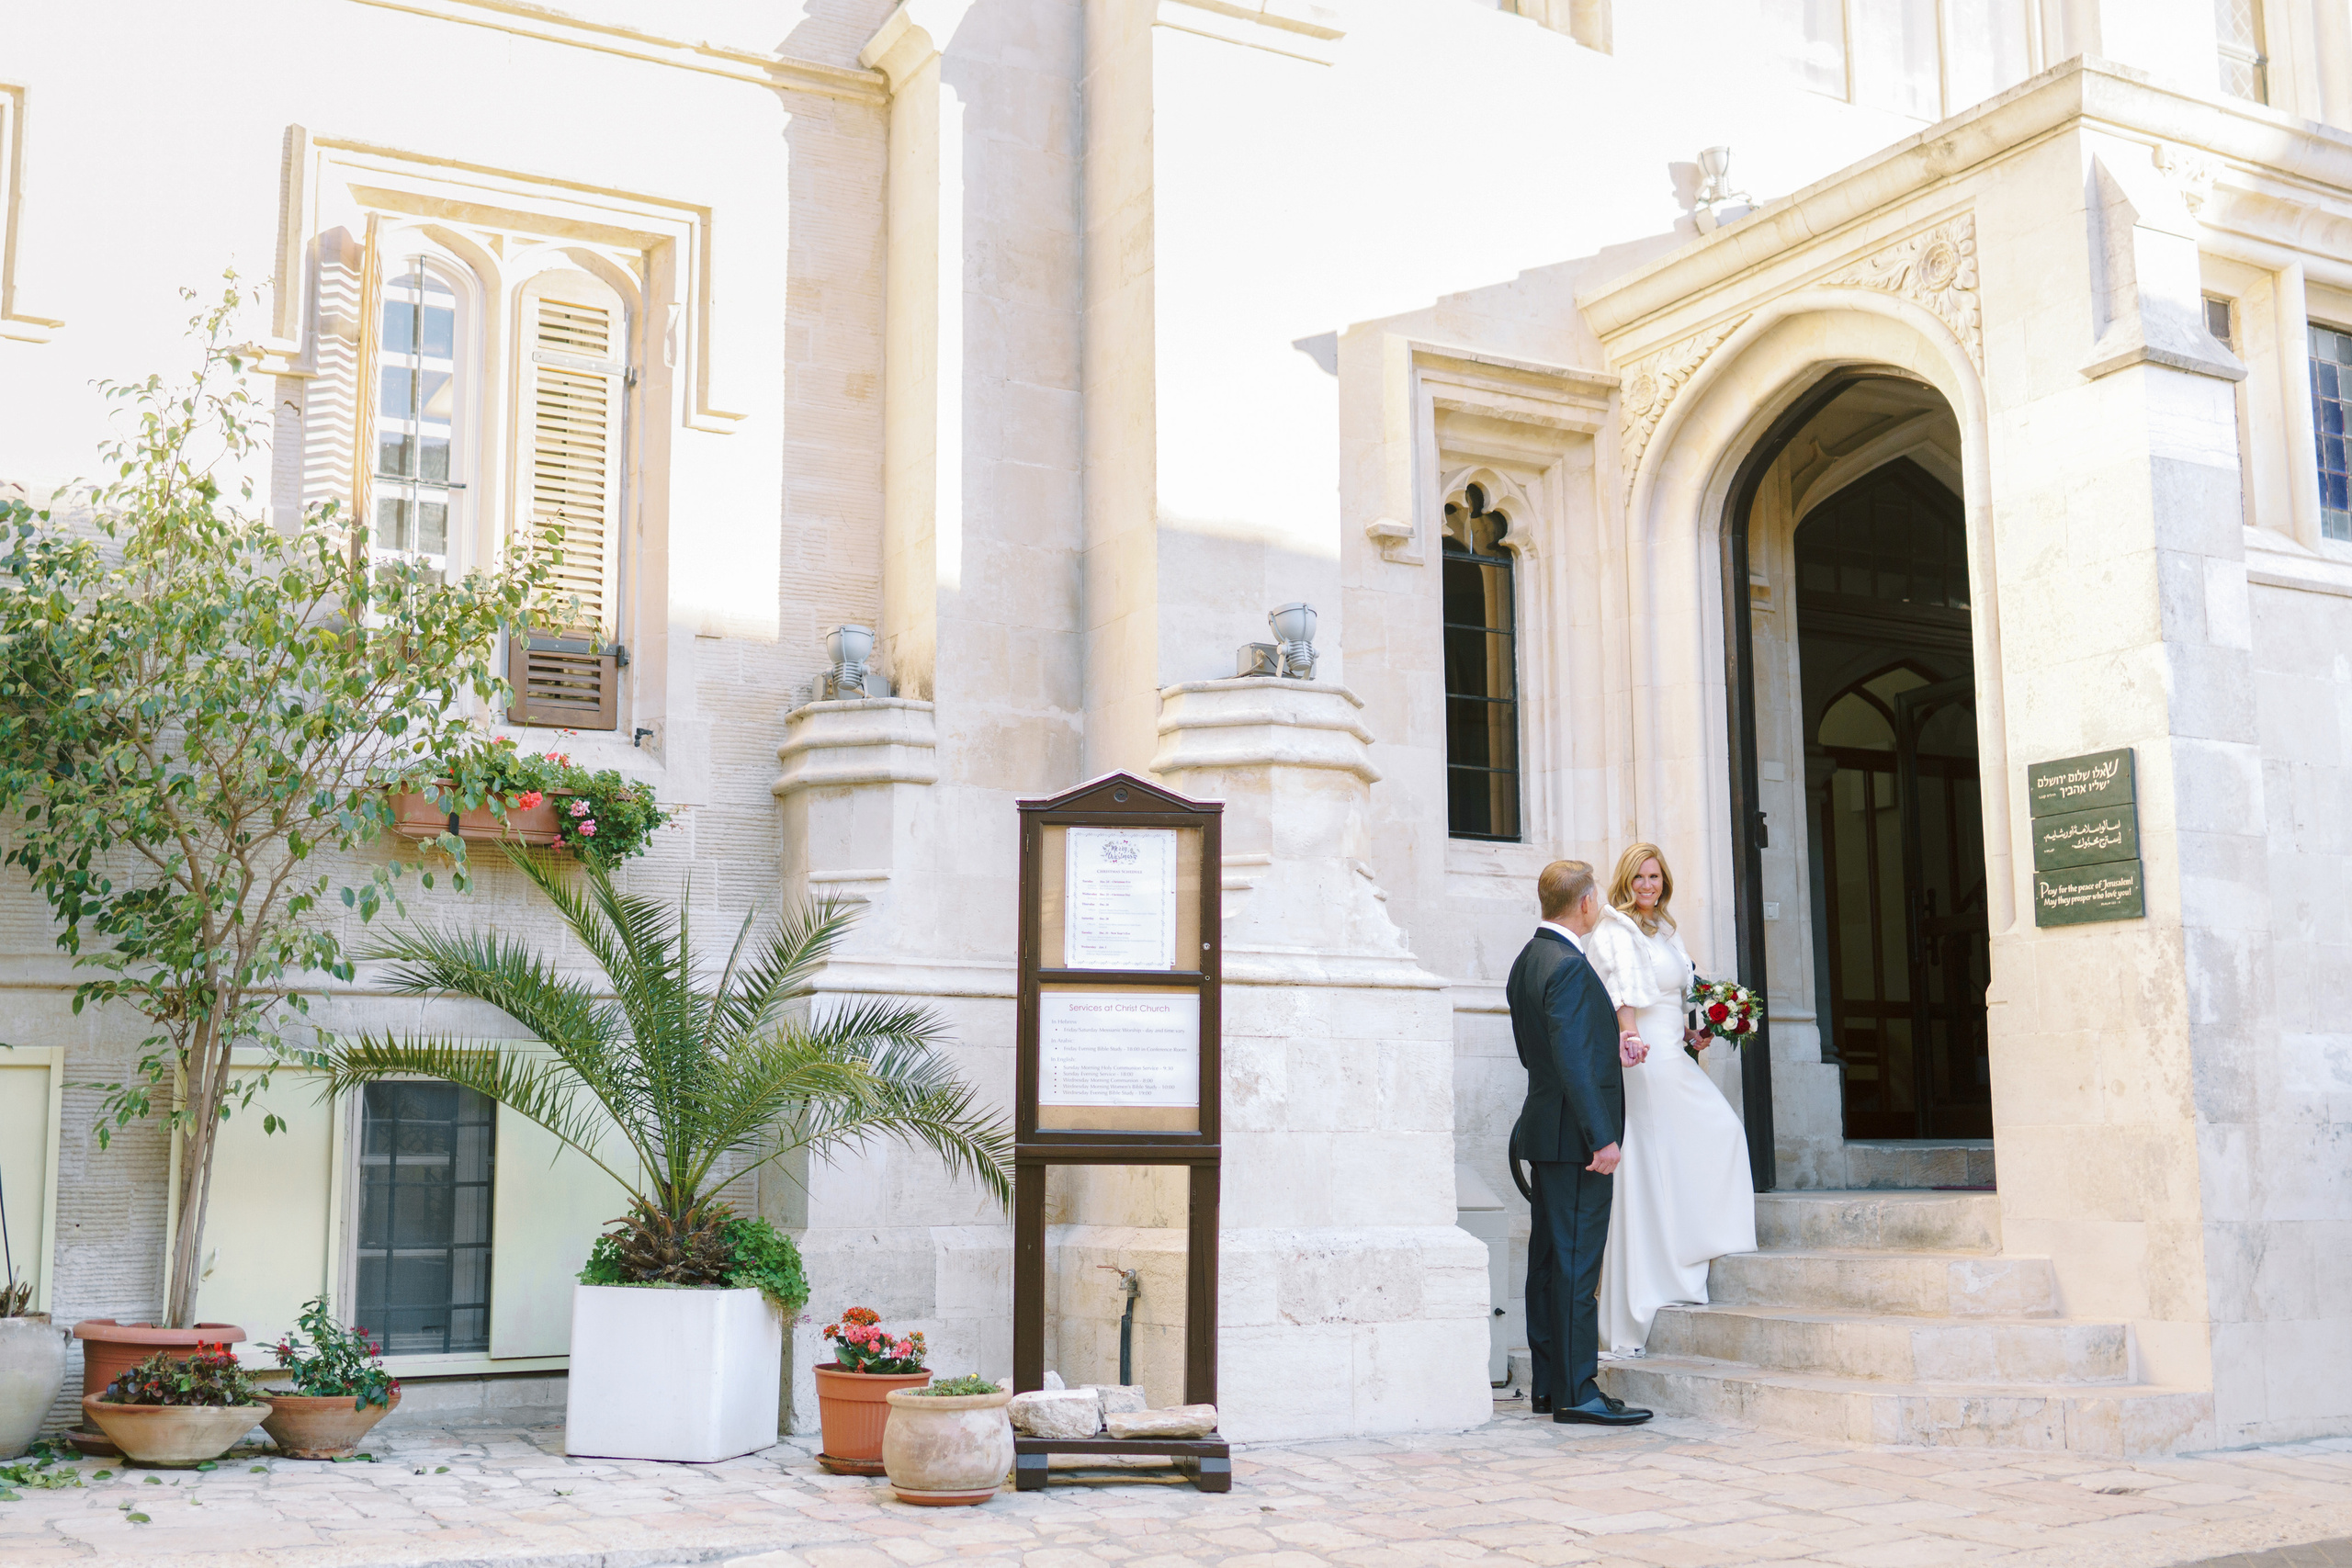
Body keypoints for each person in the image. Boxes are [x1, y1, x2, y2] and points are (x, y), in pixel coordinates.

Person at [1584, 842, 1758, 1355]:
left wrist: (1694, 1032)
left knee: (1702, 1140)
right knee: (1695, 1138)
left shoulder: (1666, 928)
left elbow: (1675, 992)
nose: (1647, 885)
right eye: (1639, 877)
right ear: (1624, 880)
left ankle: (1688, 1245)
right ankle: (1654, 1279)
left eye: (1655, 876)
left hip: (1672, 1050)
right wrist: (1630, 1036)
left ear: (1665, 881)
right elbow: (1622, 990)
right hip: (1644, 1059)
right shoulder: (1616, 928)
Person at [1505, 859, 1655, 1427]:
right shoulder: (1567, 965)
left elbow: (1547, 1050)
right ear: (1587, 902)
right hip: (1577, 1141)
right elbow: (1569, 1059)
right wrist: (1603, 1137)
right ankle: (1578, 1393)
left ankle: (1551, 1386)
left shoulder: (1529, 959)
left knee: (1548, 1263)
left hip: (1549, 1131)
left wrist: (1607, 1050)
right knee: (1575, 1267)